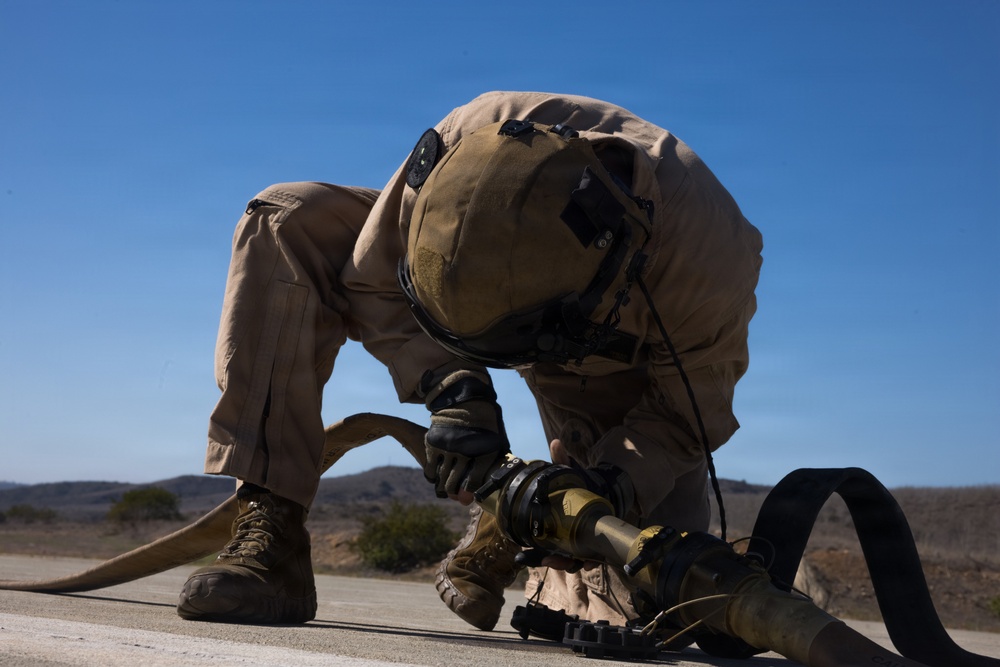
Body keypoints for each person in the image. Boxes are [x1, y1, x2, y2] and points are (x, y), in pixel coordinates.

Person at [174, 91, 763, 630]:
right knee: (288, 219)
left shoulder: (707, 264)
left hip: (608, 364)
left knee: (645, 596)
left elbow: (684, 416)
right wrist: (456, 392)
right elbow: (373, 276)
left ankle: (508, 525)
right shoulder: (458, 145)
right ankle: (269, 535)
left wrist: (600, 485)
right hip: (488, 292)